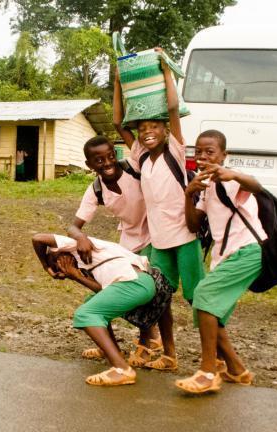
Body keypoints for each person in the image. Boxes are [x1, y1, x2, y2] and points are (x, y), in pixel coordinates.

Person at [113, 48, 205, 372]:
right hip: (159, 242)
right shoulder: (141, 157)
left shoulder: (176, 151)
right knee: (157, 297)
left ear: (166, 130)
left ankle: (218, 359)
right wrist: (117, 78)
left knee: (198, 298)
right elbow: (116, 121)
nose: (147, 131)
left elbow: (172, 106)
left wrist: (166, 67)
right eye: (142, 128)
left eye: (154, 126)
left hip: (184, 238)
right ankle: (169, 355)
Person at [176, 129, 265, 394]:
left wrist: (234, 173)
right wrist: (188, 194)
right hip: (225, 256)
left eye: (210, 152)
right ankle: (237, 370)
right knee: (213, 315)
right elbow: (193, 224)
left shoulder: (230, 179)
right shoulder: (206, 188)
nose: (202, 156)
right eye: (198, 151)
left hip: (248, 251)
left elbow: (257, 187)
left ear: (224, 155)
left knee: (203, 295)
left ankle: (207, 372)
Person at [66, 135, 161, 366]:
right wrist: (81, 237)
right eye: (99, 160)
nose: (107, 163)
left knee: (152, 292)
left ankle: (149, 343)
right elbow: (73, 225)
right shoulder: (96, 188)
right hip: (129, 241)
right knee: (110, 291)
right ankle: (108, 345)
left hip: (155, 235)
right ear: (89, 165)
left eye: (110, 156)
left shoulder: (133, 169)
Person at [32, 232, 160, 386]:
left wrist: (46, 266)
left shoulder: (74, 245)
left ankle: (122, 369)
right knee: (91, 302)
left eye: (59, 267)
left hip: (135, 284)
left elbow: (37, 238)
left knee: (85, 314)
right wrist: (76, 276)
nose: (63, 272)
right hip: (140, 283)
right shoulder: (87, 259)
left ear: (58, 257)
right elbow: (103, 291)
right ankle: (113, 352)